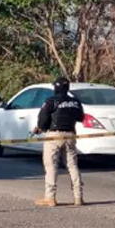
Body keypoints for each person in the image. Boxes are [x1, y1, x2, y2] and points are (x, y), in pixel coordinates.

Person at [32, 77, 85, 207]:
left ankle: (50, 197)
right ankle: (78, 197)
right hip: (70, 135)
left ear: (55, 88)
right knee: (72, 166)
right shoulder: (75, 102)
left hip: (54, 136)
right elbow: (81, 117)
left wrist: (40, 128)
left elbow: (42, 121)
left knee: (51, 166)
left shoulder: (50, 101)